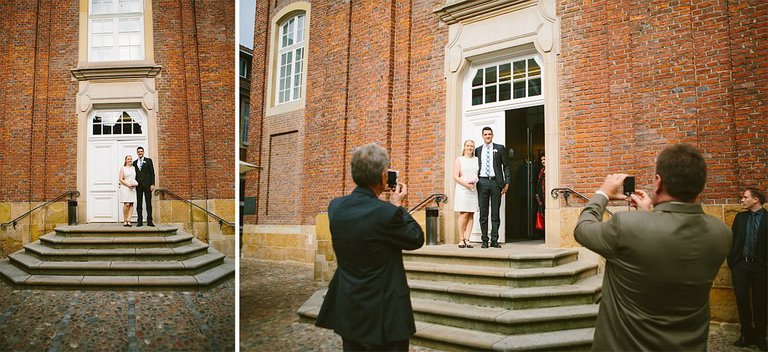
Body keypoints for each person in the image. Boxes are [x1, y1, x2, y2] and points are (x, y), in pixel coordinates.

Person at [574, 143, 731, 351]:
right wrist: (649, 216)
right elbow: (668, 249)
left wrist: (602, 193)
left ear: (658, 182)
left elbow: (583, 229)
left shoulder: (627, 226)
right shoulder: (721, 233)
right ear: (700, 184)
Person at [315, 143, 424, 351]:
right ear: (384, 176)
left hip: (349, 307)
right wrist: (397, 206)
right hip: (385, 315)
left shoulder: (335, 207)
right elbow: (416, 238)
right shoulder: (387, 213)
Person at [728, 187, 767, 351]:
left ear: (755, 199)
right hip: (741, 266)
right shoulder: (740, 217)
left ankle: (759, 336)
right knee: (742, 299)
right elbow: (733, 239)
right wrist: (733, 262)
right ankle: (746, 334)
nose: (742, 200)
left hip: (761, 267)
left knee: (761, 302)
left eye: (745, 197)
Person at [475, 127, 511, 248]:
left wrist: (507, 183)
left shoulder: (500, 148)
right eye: (485, 134)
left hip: (496, 183)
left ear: (492, 135)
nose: (487, 136)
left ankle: (494, 240)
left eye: (489, 134)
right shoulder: (478, 150)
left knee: (495, 213)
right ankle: (484, 240)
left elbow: (506, 166)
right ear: (482, 136)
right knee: (483, 214)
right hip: (482, 182)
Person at [453, 139, 479, 248]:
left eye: (472, 146)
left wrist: (473, 183)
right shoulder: (459, 159)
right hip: (462, 189)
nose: (470, 148)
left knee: (471, 214)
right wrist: (466, 185)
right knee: (464, 214)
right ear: (464, 147)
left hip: (473, 190)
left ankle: (468, 239)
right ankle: (461, 239)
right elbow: (455, 176)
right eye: (468, 146)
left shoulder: (477, 159)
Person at [133, 146, 156, 227]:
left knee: (148, 203)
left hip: (147, 185)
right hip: (138, 186)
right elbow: (133, 175)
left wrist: (153, 184)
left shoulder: (148, 161)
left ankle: (150, 221)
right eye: (138, 151)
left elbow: (152, 173)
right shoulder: (134, 163)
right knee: (139, 204)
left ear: (143, 152)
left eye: (141, 151)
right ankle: (139, 221)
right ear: (137, 153)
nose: (140, 153)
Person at [118, 155, 138, 227]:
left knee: (131, 204)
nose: (130, 160)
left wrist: (134, 184)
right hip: (125, 187)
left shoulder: (134, 168)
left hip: (132, 188)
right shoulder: (123, 168)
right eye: (128, 159)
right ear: (126, 160)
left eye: (131, 159)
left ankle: (129, 220)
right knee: (127, 204)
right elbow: (121, 179)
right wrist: (128, 185)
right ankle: (125, 220)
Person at [534, 154, 546, 235]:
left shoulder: (551, 169)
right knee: (542, 214)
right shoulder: (542, 170)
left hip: (548, 195)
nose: (543, 161)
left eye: (544, 159)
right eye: (542, 160)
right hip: (541, 196)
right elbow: (538, 184)